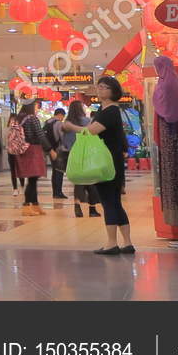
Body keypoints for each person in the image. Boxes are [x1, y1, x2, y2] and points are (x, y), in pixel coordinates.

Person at [65, 75, 134, 255]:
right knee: (115, 202)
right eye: (99, 86)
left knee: (108, 201)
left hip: (106, 162)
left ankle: (111, 243)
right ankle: (127, 243)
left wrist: (71, 127)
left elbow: (91, 131)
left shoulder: (110, 111)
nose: (100, 89)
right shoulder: (106, 110)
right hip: (112, 160)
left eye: (104, 87)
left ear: (114, 91)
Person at [64, 97, 101, 219]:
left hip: (72, 155)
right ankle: (92, 209)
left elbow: (64, 140)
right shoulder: (87, 121)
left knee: (78, 181)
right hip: (86, 154)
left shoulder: (66, 123)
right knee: (91, 181)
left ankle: (77, 206)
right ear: (80, 109)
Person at [11, 101, 48, 216]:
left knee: (33, 179)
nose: (37, 108)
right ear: (31, 107)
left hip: (23, 150)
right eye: (36, 106)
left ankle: (35, 205)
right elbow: (40, 135)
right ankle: (26, 206)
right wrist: (50, 149)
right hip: (33, 150)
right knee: (33, 179)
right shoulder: (32, 118)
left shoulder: (19, 119)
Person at [46, 106, 70, 200]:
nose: (63, 118)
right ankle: (58, 192)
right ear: (60, 115)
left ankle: (55, 192)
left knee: (54, 171)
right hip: (58, 150)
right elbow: (62, 137)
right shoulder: (59, 123)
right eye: (63, 116)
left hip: (50, 149)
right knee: (59, 171)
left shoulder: (48, 122)